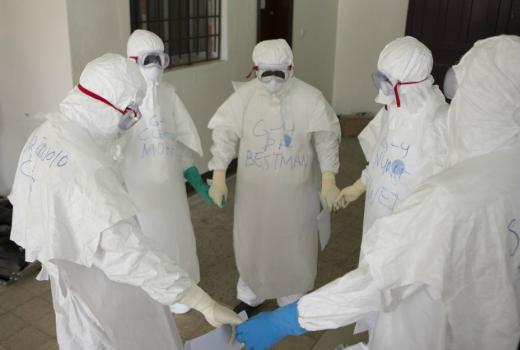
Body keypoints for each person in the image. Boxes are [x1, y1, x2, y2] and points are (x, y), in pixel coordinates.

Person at [236, 35, 520, 350]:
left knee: (402, 322)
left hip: (424, 295)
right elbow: (383, 158)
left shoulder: (450, 191)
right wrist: (358, 186)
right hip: (480, 315)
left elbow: (380, 280)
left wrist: (289, 320)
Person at [9, 54, 241, 350]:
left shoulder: (46, 133)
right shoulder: (86, 169)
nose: (131, 123)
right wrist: (199, 300)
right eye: (129, 114)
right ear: (105, 104)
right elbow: (127, 253)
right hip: (105, 291)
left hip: (75, 281)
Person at [207, 39, 341, 311]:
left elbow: (326, 140)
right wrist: (219, 173)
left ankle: (292, 294)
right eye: (264, 74)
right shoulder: (244, 98)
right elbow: (224, 134)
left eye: (278, 74)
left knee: (293, 242)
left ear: (290, 68)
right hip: (253, 194)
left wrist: (328, 178)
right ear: (255, 69)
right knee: (252, 240)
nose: (271, 82)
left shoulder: (310, 98)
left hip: (297, 195)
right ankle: (250, 292)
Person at [335, 35, 448, 349]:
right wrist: (360, 185)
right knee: (376, 294)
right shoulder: (393, 110)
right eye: (381, 79)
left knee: (405, 314)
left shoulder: (441, 128)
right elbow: (382, 159)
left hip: (414, 242)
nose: (381, 90)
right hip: (379, 220)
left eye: (388, 82)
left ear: (410, 84)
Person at [122, 29, 209, 314]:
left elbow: (176, 140)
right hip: (137, 190)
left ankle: (179, 290)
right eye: (149, 59)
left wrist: (194, 175)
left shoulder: (168, 95)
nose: (155, 67)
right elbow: (106, 150)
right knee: (145, 239)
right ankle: (149, 292)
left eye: (161, 59)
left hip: (170, 190)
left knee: (176, 236)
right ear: (131, 60)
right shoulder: (118, 101)